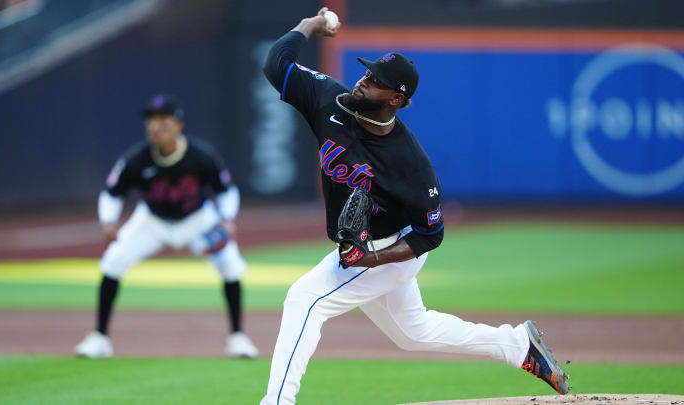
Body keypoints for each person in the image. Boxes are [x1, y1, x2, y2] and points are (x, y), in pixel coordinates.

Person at [259, 8, 570, 404]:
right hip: (364, 243)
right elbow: (277, 62)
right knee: (412, 332)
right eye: (368, 73)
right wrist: (313, 25)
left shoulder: (410, 164)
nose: (364, 80)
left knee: (305, 299)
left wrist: (371, 259)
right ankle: (517, 345)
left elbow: (430, 235)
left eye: (376, 81)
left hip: (395, 246)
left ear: (396, 98)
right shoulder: (328, 100)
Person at [74, 94, 259, 359]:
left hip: (197, 220)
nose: (155, 126)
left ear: (178, 125)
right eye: (151, 120)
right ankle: (100, 338)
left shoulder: (201, 156)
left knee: (231, 265)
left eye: (163, 120)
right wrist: (109, 221)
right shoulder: (136, 159)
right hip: (152, 221)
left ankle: (238, 338)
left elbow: (227, 191)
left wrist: (228, 218)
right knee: (112, 262)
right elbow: (112, 193)